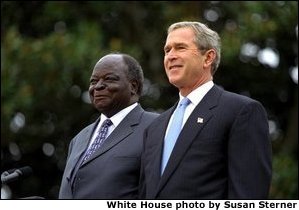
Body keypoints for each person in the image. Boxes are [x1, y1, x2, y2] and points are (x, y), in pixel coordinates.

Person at [139, 21, 272, 199]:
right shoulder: (155, 127)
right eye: (167, 50)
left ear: (208, 58)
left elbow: (248, 195)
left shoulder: (241, 111)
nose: (170, 56)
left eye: (180, 48)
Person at [59, 53, 159, 199]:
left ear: (133, 86)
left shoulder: (156, 127)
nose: (98, 86)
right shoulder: (79, 139)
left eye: (109, 79)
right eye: (93, 81)